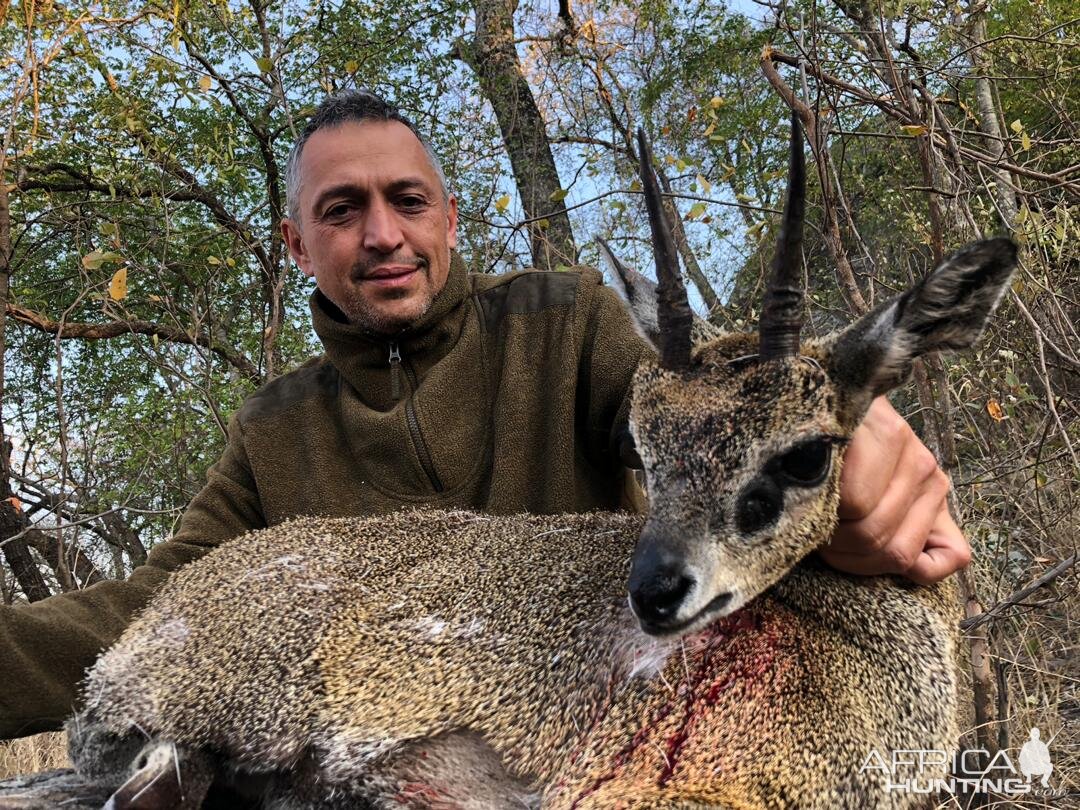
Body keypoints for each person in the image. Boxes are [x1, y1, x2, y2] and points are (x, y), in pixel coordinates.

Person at [0, 90, 970, 739]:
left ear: (450, 218)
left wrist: (856, 444)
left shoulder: (567, 324)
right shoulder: (271, 433)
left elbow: (712, 413)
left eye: (406, 199)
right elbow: (156, 614)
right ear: (296, 243)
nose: (382, 233)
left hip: (605, 743)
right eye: (341, 211)